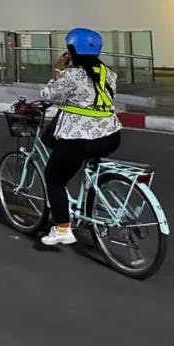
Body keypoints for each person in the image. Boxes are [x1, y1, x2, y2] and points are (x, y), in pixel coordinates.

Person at [39, 28, 122, 246]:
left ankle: (63, 229)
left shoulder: (72, 75)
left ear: (72, 50)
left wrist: (58, 68)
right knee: (75, 161)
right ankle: (87, 205)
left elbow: (48, 95)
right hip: (111, 136)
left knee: (54, 177)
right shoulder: (108, 73)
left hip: (81, 139)